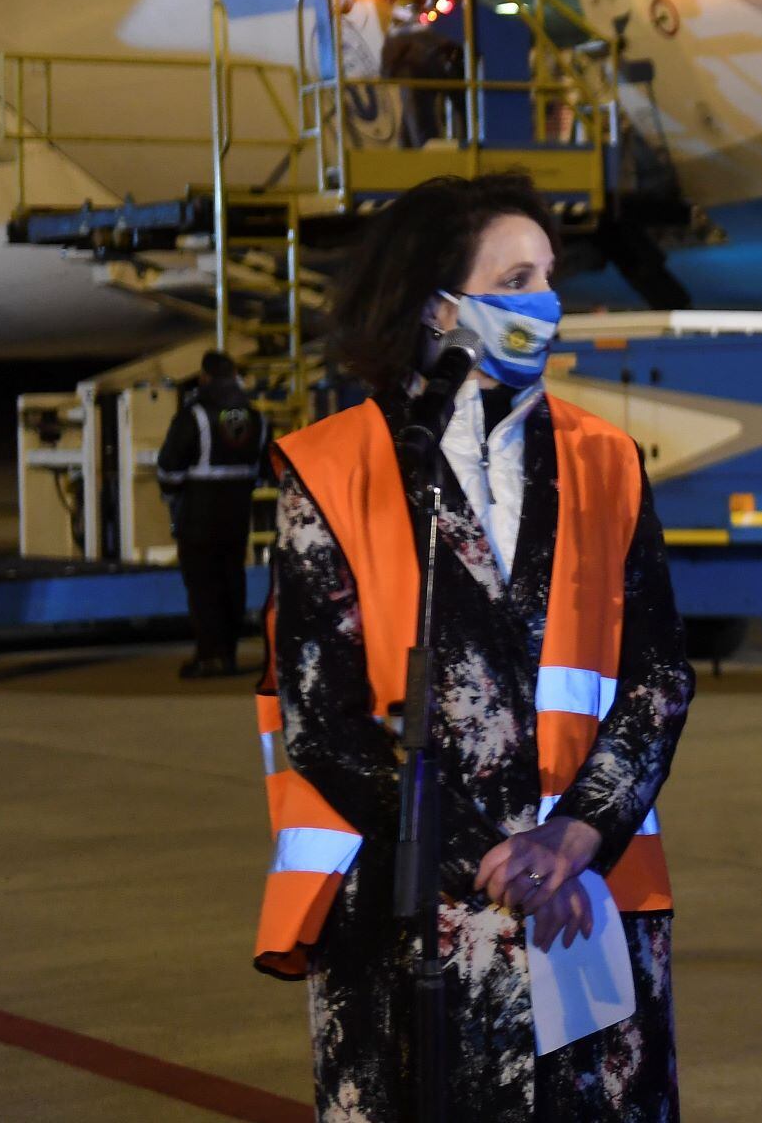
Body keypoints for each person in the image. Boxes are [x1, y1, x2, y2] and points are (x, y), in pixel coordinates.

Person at [255, 172, 693, 1120]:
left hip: (588, 910)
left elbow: (658, 676)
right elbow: (321, 721)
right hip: (411, 923)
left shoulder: (605, 459)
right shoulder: (330, 470)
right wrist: (496, 859)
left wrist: (574, 837)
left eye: (548, 275)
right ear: (439, 306)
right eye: (515, 277)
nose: (545, 302)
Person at [157, 350, 269, 678]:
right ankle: (229, 653)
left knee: (203, 583)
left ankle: (209, 655)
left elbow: (170, 465)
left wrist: (171, 497)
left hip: (199, 512)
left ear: (205, 377)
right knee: (232, 579)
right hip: (237, 512)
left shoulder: (196, 414)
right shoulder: (255, 416)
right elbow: (264, 467)